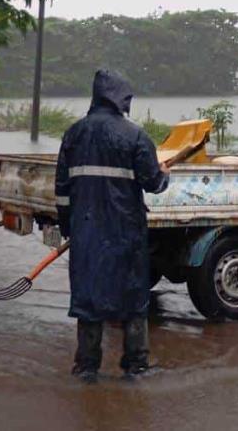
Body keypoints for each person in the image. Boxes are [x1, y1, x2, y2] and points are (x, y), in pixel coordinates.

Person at [55, 69, 170, 383]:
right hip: (126, 233)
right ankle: (136, 366)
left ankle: (86, 367)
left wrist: (69, 228)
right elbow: (154, 183)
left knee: (88, 298)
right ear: (121, 98)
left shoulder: (73, 134)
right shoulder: (136, 136)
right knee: (133, 299)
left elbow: (62, 191)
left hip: (87, 233)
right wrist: (164, 173)